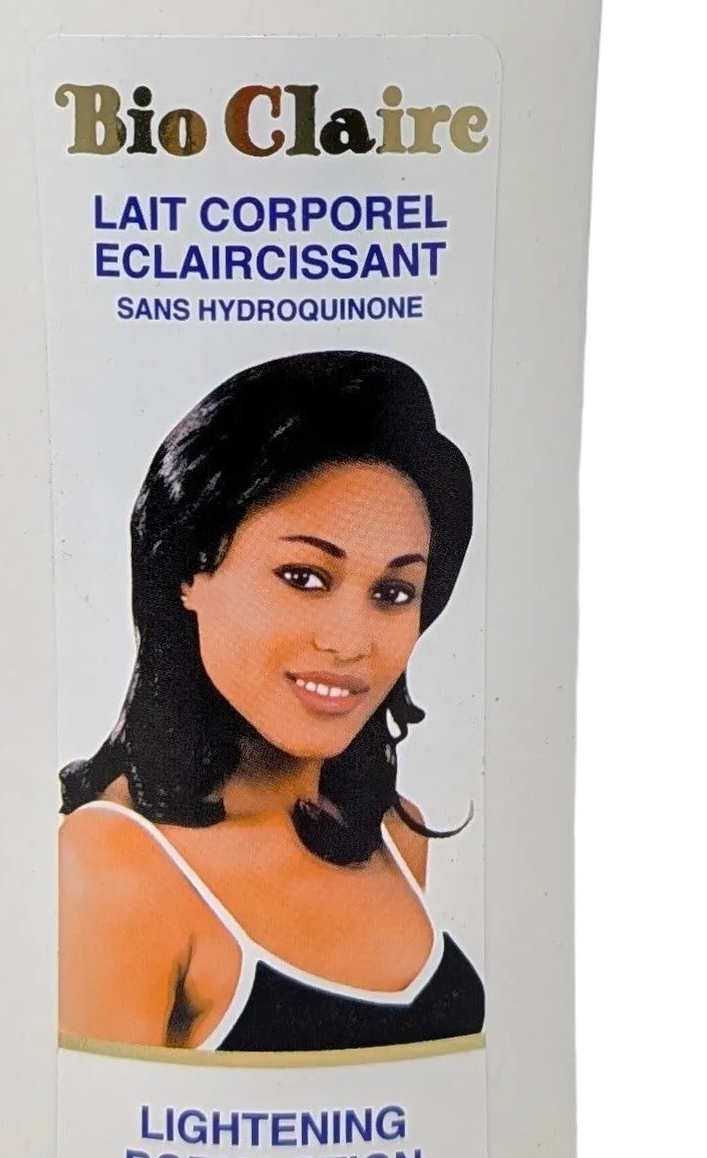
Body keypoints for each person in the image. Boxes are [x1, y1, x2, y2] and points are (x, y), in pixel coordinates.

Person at [58, 349, 484, 1053]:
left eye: (392, 592)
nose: (350, 642)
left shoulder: (391, 835)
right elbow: (100, 1116)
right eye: (304, 577)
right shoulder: (113, 864)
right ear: (190, 569)